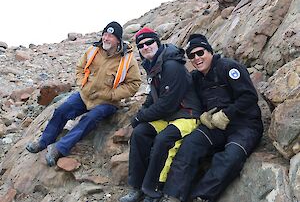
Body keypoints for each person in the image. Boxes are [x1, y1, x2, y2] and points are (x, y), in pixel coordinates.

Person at [162, 34, 263, 202]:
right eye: (192, 55)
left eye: (200, 52)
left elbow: (249, 97)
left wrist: (226, 114)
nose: (197, 58)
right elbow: (192, 101)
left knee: (231, 157)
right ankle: (173, 195)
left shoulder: (229, 67)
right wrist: (202, 115)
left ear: (209, 51)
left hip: (245, 125)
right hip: (214, 126)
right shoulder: (195, 78)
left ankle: (201, 197)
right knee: (189, 146)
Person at [26, 21, 141, 167]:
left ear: (118, 39)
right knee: (62, 110)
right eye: (104, 34)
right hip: (85, 96)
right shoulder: (93, 50)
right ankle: (44, 141)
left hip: (107, 102)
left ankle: (59, 149)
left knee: (89, 119)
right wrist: (82, 83)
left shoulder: (127, 59)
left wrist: (112, 94)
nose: (105, 38)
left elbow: (135, 84)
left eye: (110, 36)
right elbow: (80, 67)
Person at [120, 28, 202, 202]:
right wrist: (142, 112)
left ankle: (154, 188)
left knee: (164, 140)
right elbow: (153, 95)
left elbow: (167, 104)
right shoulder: (155, 65)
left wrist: (140, 117)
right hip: (170, 115)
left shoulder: (171, 65)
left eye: (149, 42)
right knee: (140, 133)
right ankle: (137, 186)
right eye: (141, 45)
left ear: (157, 42)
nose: (145, 47)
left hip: (187, 115)